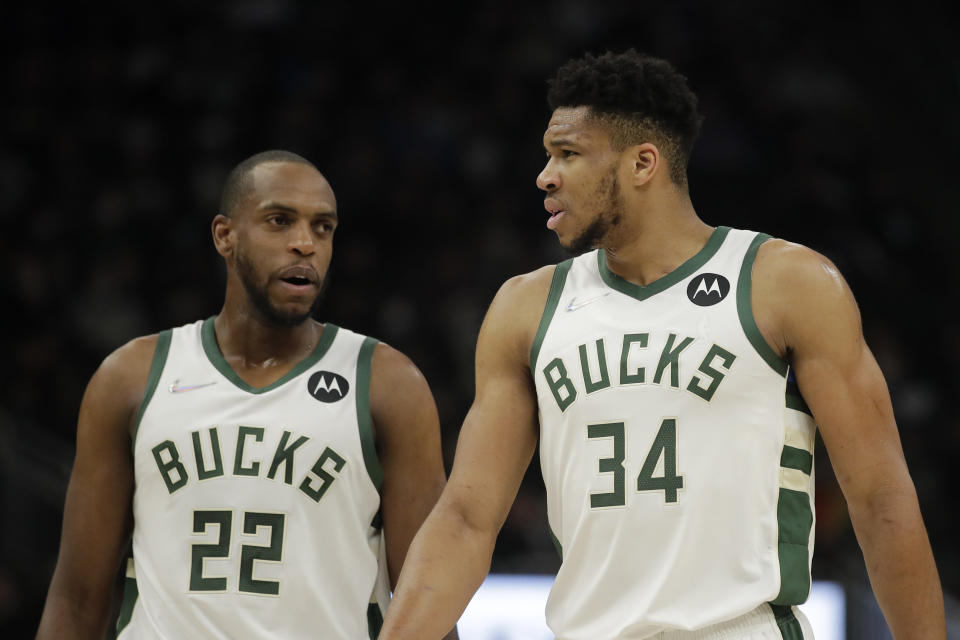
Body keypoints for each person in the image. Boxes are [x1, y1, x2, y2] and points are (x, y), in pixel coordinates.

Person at [378, 50, 945, 639]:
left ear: (642, 163)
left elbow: (880, 497)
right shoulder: (525, 307)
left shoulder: (784, 283)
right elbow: (467, 520)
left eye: (568, 154)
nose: (545, 175)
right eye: (549, 155)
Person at [36, 150, 456, 639]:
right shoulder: (131, 377)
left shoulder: (388, 384)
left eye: (323, 228)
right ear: (225, 236)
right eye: (279, 221)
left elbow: (427, 598)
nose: (305, 243)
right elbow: (77, 597)